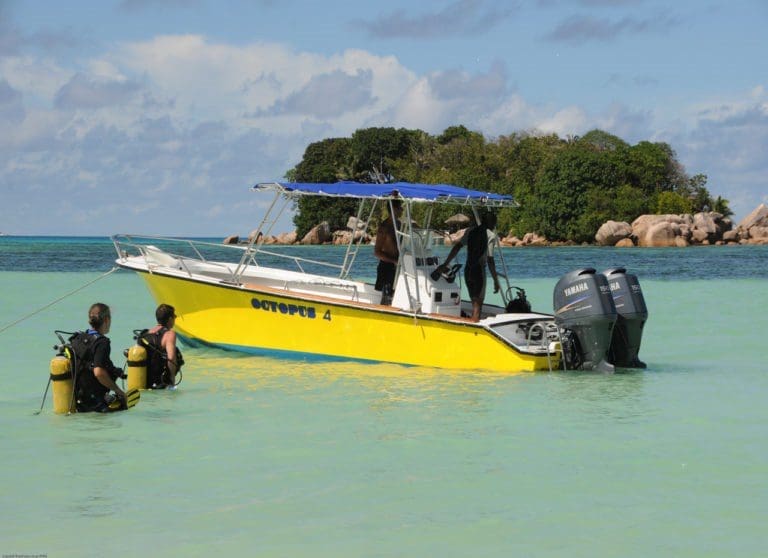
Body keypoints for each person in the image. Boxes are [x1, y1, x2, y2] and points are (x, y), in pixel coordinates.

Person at [437, 211, 502, 322]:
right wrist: (496, 280)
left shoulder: (470, 231)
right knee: (478, 306)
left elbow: (457, 247)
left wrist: (445, 263)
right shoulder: (490, 235)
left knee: (474, 303)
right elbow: (490, 260)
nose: (494, 225)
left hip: (468, 271)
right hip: (478, 273)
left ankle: (472, 322)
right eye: (494, 221)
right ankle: (475, 330)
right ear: (490, 222)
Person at [73, 302, 128, 412]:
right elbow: (98, 373)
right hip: (94, 402)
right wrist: (118, 391)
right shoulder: (102, 342)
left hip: (77, 399)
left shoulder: (78, 338)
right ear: (107, 320)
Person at [139, 303, 181, 388]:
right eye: (174, 316)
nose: (175, 318)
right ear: (170, 319)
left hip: (143, 381)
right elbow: (171, 358)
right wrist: (172, 378)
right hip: (159, 383)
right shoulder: (169, 334)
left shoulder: (145, 334)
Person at [373, 199, 403, 305]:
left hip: (398, 267)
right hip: (386, 267)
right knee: (387, 297)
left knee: (396, 296)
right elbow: (377, 252)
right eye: (400, 207)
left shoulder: (400, 225)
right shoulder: (384, 227)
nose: (402, 209)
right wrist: (393, 261)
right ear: (394, 209)